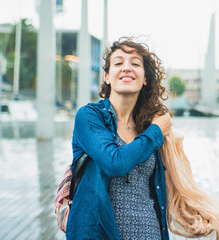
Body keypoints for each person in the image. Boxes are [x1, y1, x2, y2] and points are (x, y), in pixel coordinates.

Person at [66, 37, 172, 239]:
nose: (126, 68)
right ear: (107, 76)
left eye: (135, 63)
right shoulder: (90, 116)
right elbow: (115, 162)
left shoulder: (148, 125)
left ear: (145, 78)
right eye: (118, 63)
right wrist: (156, 132)